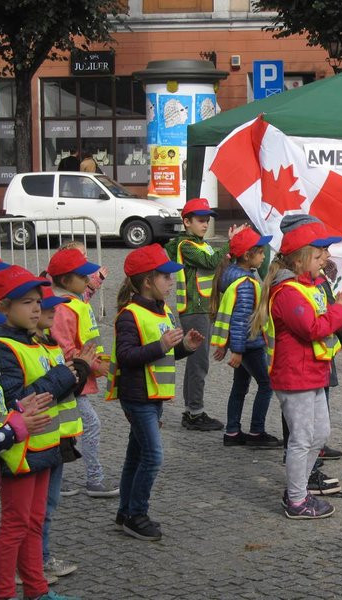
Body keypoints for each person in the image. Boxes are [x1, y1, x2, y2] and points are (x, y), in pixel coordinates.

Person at [251, 216, 342, 519]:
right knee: (301, 438)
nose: (325, 258)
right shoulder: (287, 291)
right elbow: (312, 327)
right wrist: (341, 310)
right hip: (294, 376)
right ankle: (297, 499)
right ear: (300, 260)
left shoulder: (309, 284)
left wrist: (336, 305)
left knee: (319, 434)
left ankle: (297, 489)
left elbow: (320, 318)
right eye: (319, 254)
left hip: (312, 372)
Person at [0, 265, 88, 600]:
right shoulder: (3, 347)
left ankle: (37, 590)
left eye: (37, 301)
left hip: (45, 446)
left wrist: (69, 376)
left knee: (33, 523)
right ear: (3, 307)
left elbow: (53, 392)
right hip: (19, 451)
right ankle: (3, 593)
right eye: (26, 302)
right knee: (15, 526)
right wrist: (63, 376)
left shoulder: (37, 343)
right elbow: (13, 400)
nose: (36, 308)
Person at [106, 244, 204, 541]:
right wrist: (161, 345)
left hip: (154, 395)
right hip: (138, 398)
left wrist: (184, 347)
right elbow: (126, 356)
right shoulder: (129, 315)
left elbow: (165, 356)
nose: (172, 281)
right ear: (148, 281)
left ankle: (125, 512)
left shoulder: (163, 311)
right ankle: (137, 514)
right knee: (153, 456)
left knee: (135, 457)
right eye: (165, 277)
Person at [165, 197, 245, 431]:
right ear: (186, 222)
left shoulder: (202, 243)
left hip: (202, 308)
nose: (205, 224)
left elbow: (216, 264)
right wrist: (229, 244)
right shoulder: (185, 245)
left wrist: (228, 254)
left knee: (197, 363)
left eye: (207, 220)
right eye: (200, 220)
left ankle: (192, 410)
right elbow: (210, 262)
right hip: (193, 308)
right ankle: (194, 412)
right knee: (198, 363)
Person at [48, 248, 117, 498]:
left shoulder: (72, 301)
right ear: (67, 281)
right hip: (72, 378)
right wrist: (94, 365)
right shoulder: (64, 308)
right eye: (83, 276)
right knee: (88, 425)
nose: (88, 280)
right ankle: (93, 479)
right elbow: (65, 347)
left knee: (69, 428)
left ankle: (58, 478)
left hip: (77, 376)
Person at [36, 287, 89, 582]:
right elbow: (40, 391)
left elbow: (66, 388)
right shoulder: (17, 347)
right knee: (37, 508)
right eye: (45, 307)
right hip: (38, 440)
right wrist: (73, 371)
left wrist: (80, 369)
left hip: (57, 438)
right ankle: (34, 562)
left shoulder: (50, 344)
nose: (51, 312)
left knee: (49, 503)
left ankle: (38, 558)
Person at [210, 226, 280, 448]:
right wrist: (238, 351)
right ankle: (256, 432)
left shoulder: (230, 274)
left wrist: (228, 344)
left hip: (241, 344)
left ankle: (232, 431)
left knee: (239, 386)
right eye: (260, 253)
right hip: (250, 344)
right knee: (266, 384)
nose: (263, 257)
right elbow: (240, 319)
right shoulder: (247, 284)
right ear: (248, 256)